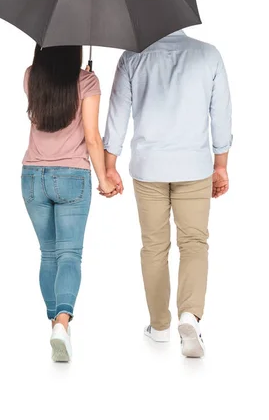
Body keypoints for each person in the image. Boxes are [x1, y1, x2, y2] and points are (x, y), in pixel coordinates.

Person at [102, 30, 232, 357]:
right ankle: (189, 315)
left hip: (149, 168)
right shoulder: (209, 54)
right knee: (194, 242)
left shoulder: (132, 56)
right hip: (195, 165)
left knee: (154, 246)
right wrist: (221, 165)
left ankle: (159, 326)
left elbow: (117, 115)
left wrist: (109, 166)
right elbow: (221, 115)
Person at [22, 45, 118, 362]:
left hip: (32, 175)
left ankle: (55, 326)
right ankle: (62, 322)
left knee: (48, 254)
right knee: (69, 255)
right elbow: (92, 136)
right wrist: (104, 178)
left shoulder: (31, 76)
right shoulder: (87, 82)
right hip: (72, 177)